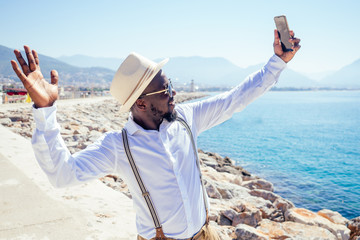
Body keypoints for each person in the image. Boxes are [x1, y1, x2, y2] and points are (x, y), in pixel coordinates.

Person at [11, 29, 300, 240]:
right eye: (166, 90)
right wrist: (45, 110)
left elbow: (236, 98)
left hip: (207, 234)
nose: (174, 94)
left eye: (171, 84)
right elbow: (63, 175)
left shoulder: (186, 118)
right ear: (141, 103)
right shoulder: (118, 146)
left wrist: (278, 62)